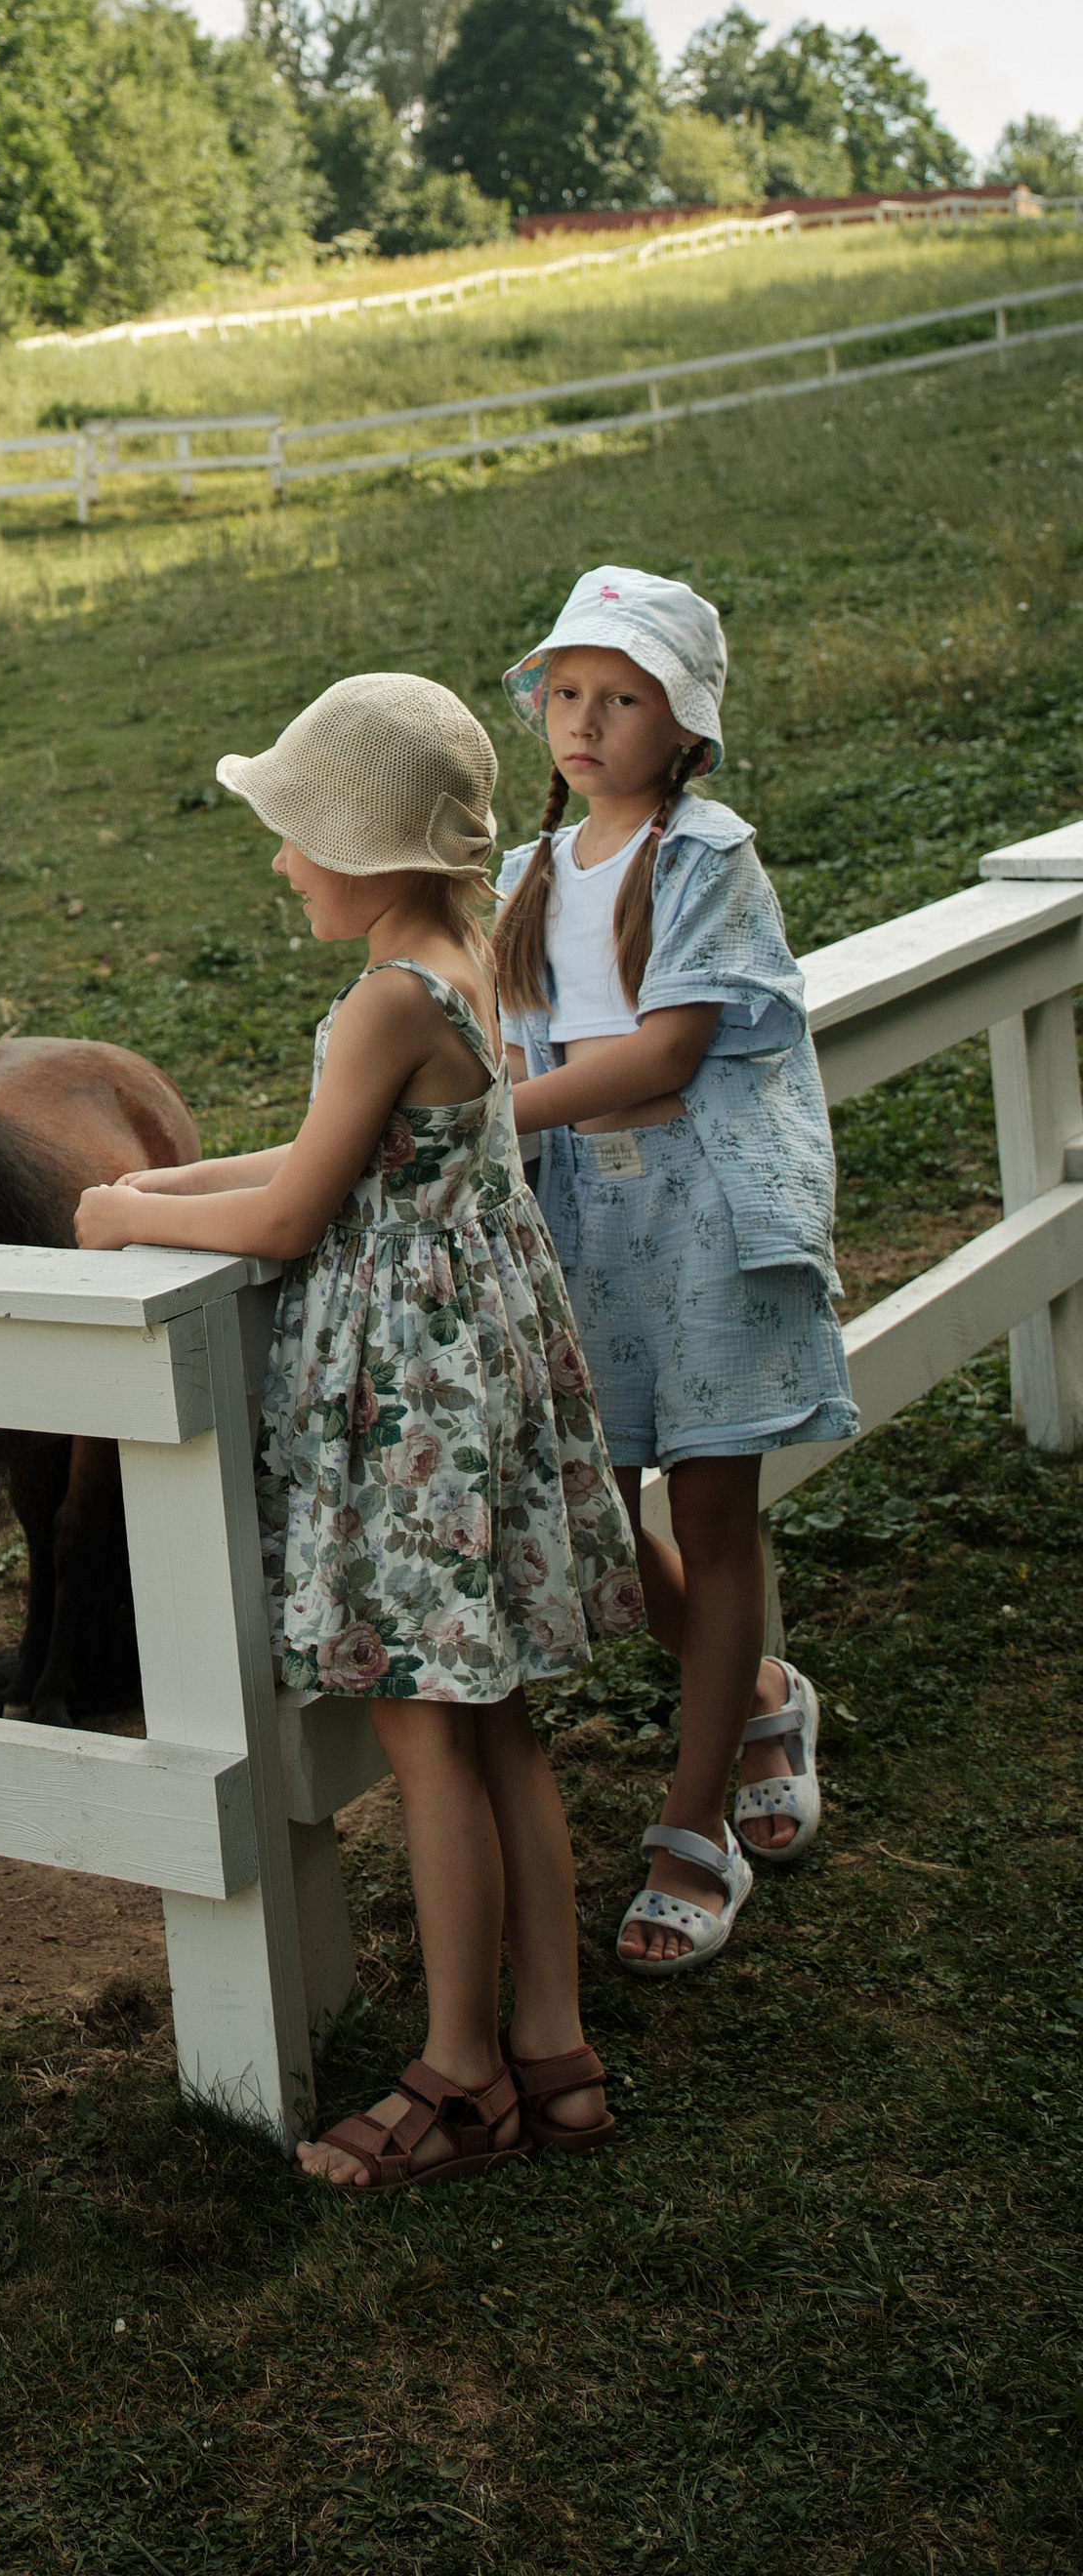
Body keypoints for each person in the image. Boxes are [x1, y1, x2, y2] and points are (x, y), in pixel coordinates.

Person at [75, 675, 639, 2192]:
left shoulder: (393, 993)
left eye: (298, 833)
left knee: (423, 1733)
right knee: (499, 1723)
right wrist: (172, 1194)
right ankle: (555, 2050)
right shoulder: (463, 959)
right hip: (482, 1382)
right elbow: (334, 1145)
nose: (280, 862)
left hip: (415, 1419)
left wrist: (128, 1210)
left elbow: (295, 1208)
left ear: (373, 850)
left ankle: (460, 2076)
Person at [494, 565, 853, 1977]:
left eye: (623, 697)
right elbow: (527, 1047)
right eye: (569, 692)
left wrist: (471, 1120)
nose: (587, 720)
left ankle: (692, 1823)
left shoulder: (705, 858)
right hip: (579, 1216)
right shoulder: (528, 877)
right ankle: (759, 1689)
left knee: (713, 1508)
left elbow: (665, 1051)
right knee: (597, 1496)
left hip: (698, 1217)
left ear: (684, 729)